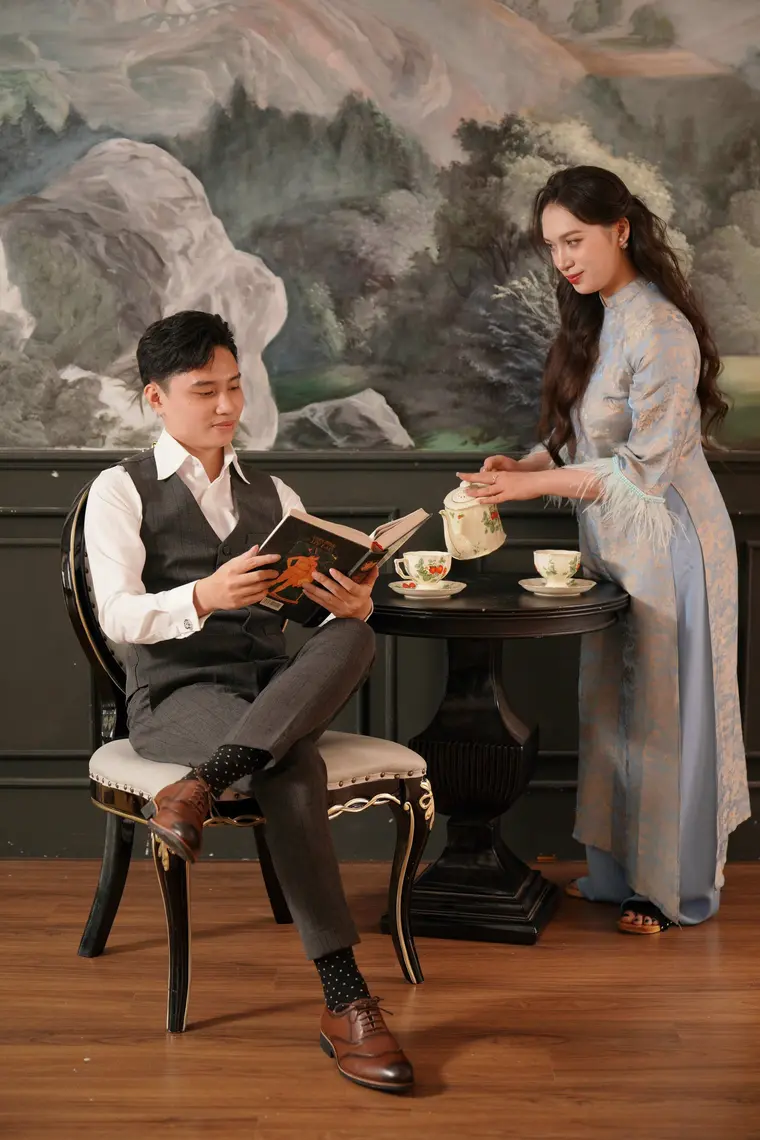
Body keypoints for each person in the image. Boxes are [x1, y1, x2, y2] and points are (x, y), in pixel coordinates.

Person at [84, 310, 414, 1092]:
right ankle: (346, 998)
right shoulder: (119, 490)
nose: (228, 405)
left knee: (355, 636)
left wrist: (348, 600)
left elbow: (308, 626)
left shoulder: (275, 494)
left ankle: (201, 785)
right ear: (156, 398)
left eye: (235, 386)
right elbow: (118, 616)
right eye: (206, 391)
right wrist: (203, 594)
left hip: (269, 686)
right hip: (176, 693)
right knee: (289, 765)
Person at [458, 165, 749, 936]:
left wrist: (529, 490)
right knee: (614, 709)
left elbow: (645, 468)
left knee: (668, 712)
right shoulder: (599, 320)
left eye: (575, 240)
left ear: (621, 230)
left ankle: (674, 888)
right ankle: (620, 873)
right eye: (553, 245)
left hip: (674, 543)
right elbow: (583, 443)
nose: (563, 259)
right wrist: (524, 466)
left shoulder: (661, 328)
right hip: (618, 543)